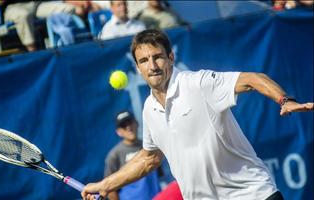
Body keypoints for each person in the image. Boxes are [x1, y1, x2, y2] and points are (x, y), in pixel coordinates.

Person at [81, 29, 314, 200]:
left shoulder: (198, 82)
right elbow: (149, 158)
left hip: (252, 195)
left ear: (171, 57)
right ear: (138, 68)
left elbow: (252, 79)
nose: (152, 66)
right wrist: (105, 184)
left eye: (157, 57)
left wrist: (285, 100)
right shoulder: (149, 109)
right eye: (143, 60)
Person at [104, 111, 161, 200]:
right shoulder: (114, 155)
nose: (128, 127)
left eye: (130, 122)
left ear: (137, 123)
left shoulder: (150, 146)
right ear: (118, 132)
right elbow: (110, 189)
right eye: (123, 125)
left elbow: (159, 175)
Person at [0, 0, 84, 51]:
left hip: (38, 4)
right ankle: (33, 52)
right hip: (14, 7)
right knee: (23, 15)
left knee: (69, 9)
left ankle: (76, 43)